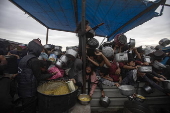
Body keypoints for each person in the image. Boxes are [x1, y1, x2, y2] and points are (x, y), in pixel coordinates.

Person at [16, 39, 55, 113]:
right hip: (29, 91)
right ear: (36, 49)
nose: (40, 52)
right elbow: (39, 77)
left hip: (21, 89)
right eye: (40, 50)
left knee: (26, 107)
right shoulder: (34, 60)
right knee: (30, 109)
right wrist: (51, 74)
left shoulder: (24, 58)